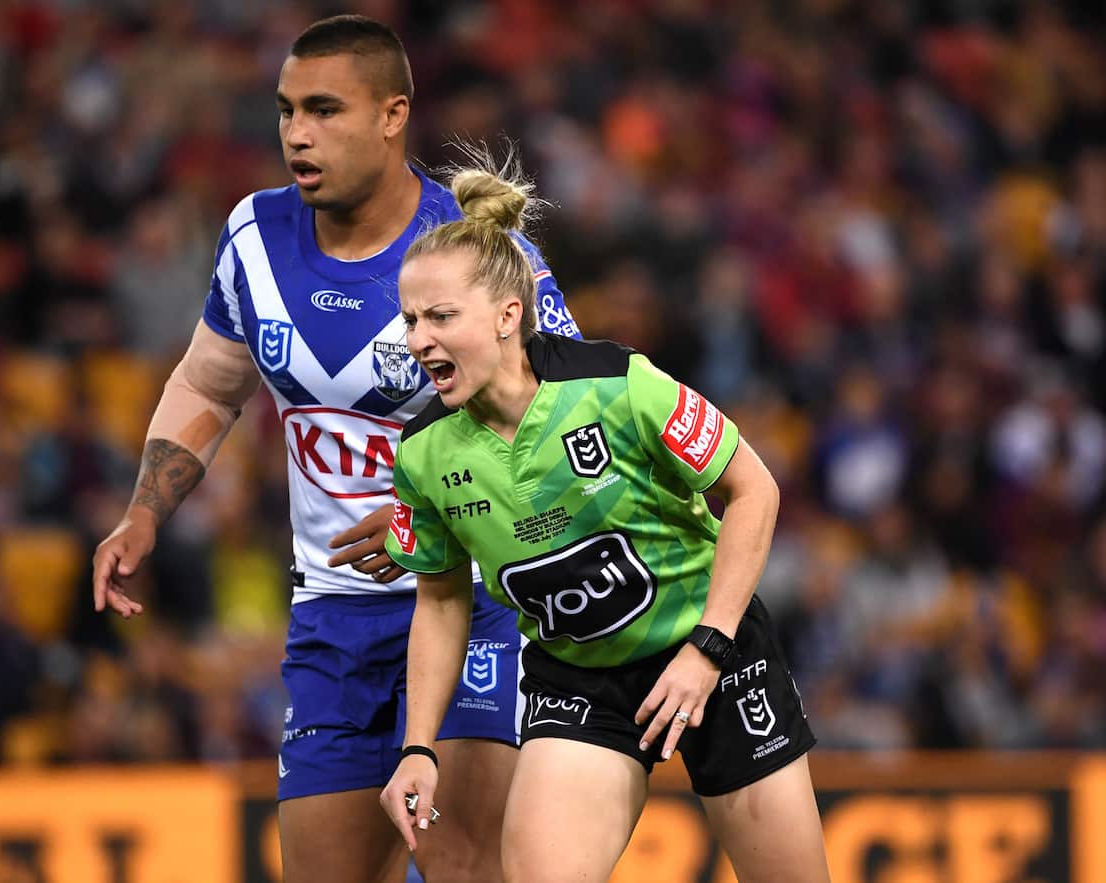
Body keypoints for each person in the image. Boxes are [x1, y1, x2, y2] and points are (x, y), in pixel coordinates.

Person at [89, 15, 579, 883]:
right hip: (331, 618)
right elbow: (208, 382)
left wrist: (420, 526)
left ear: (393, 116)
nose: (297, 135)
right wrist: (144, 510)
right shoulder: (254, 236)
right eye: (285, 112)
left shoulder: (480, 256)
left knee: (465, 863)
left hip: (475, 604)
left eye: (324, 110)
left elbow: (570, 439)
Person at [378, 158, 832, 883]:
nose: (419, 339)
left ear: (507, 315)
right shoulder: (423, 454)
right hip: (581, 677)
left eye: (440, 316)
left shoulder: (619, 385)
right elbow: (439, 597)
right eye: (409, 319)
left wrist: (707, 649)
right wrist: (418, 747)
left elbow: (756, 491)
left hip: (711, 648)